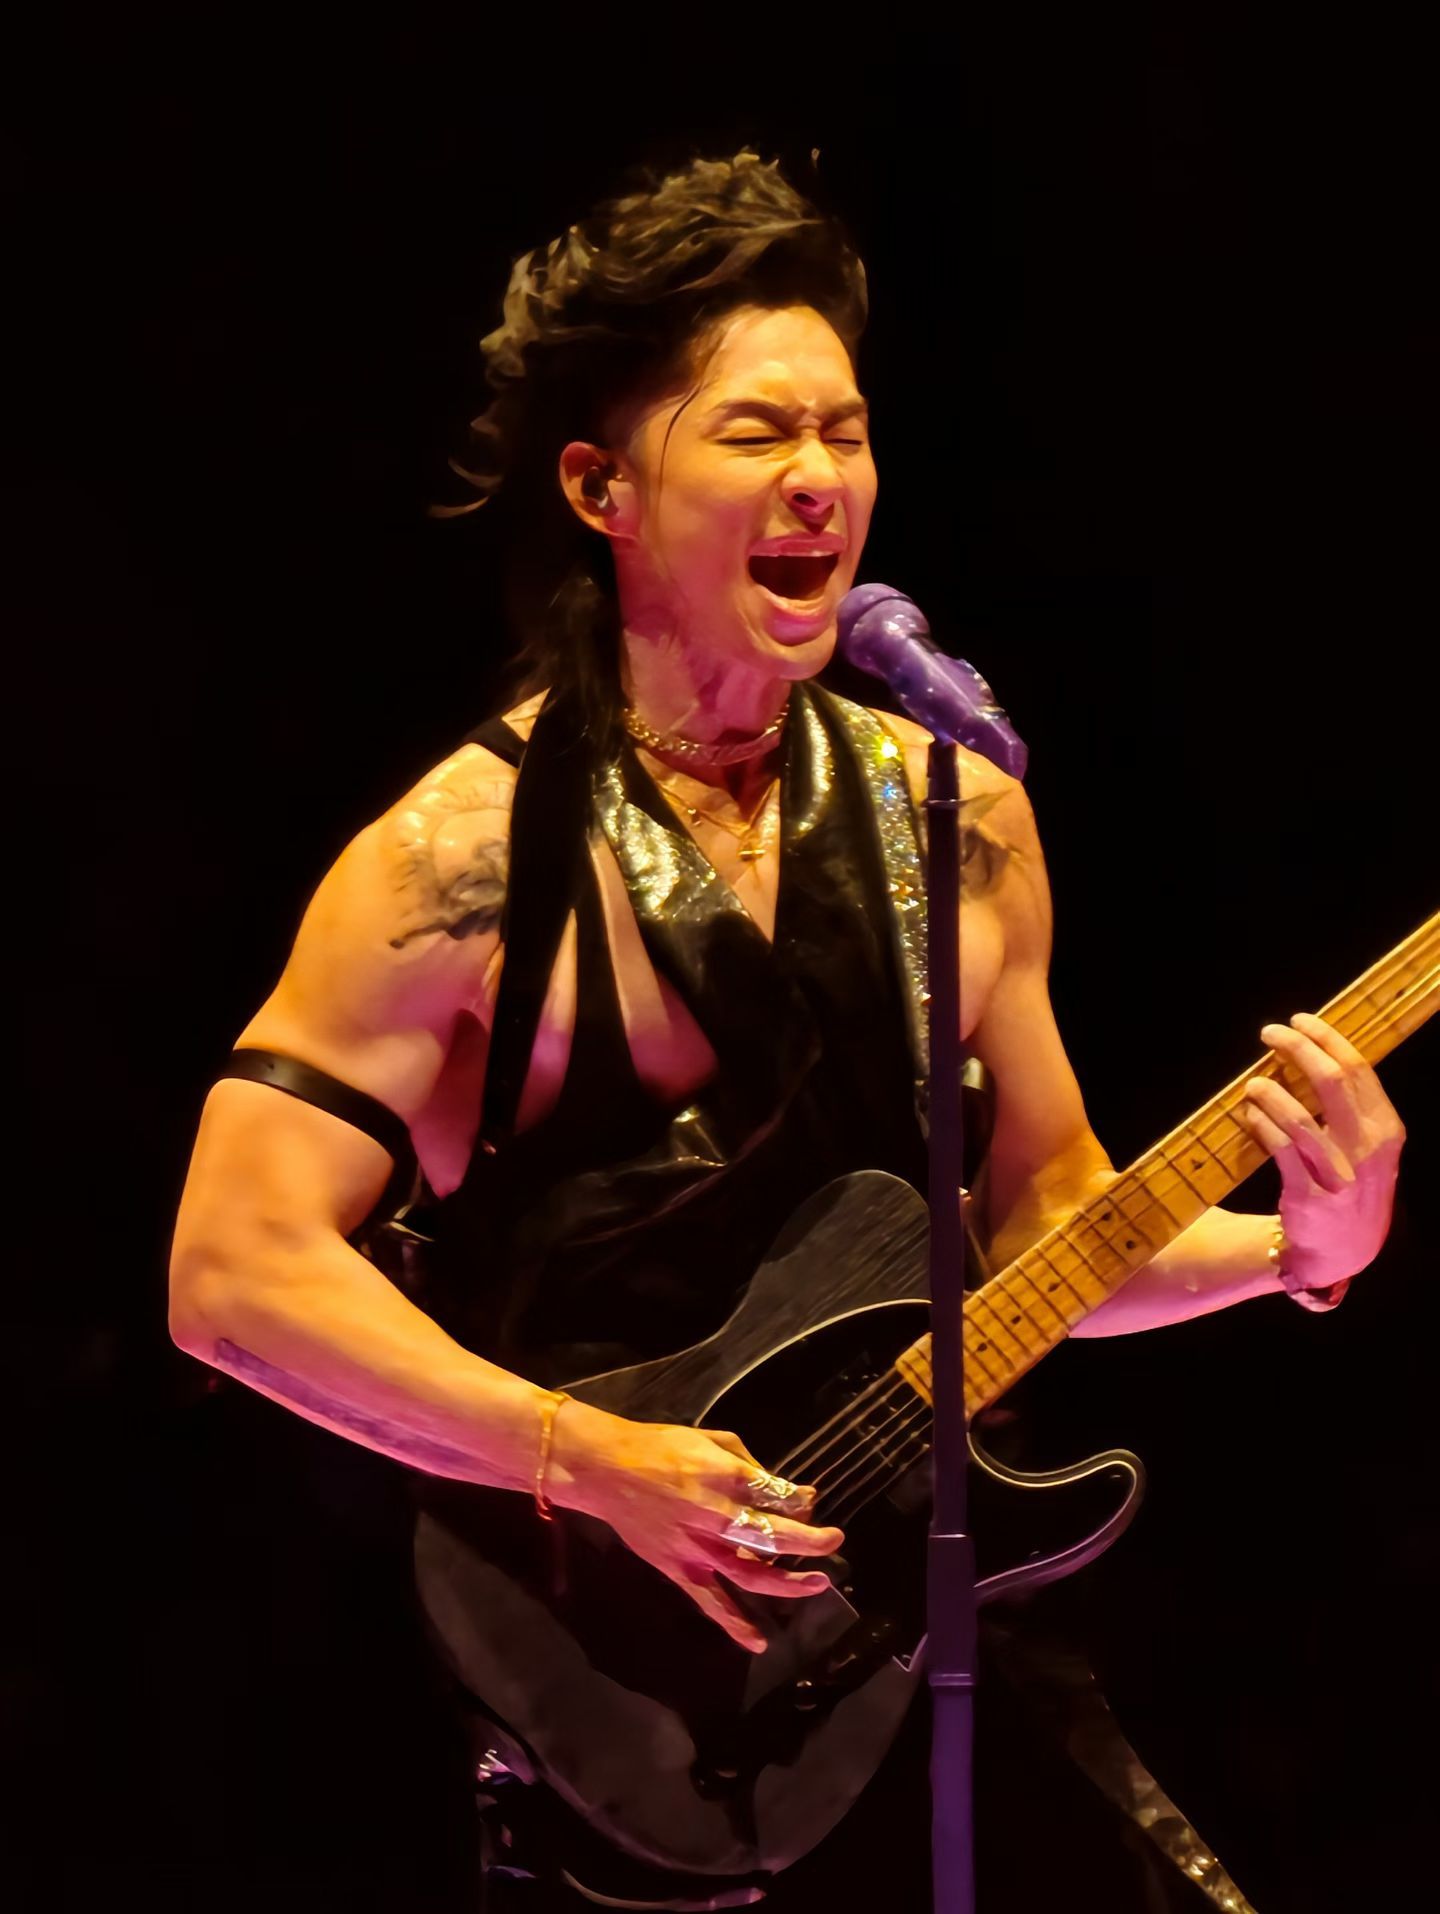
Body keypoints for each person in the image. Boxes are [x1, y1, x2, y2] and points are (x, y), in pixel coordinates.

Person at [168, 151, 1407, 1911]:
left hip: (919, 1637)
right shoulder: (458, 864)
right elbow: (231, 1272)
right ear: (602, 485)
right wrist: (581, 1454)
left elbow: (1048, 1231)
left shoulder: (958, 816)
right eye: (756, 432)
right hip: (618, 1699)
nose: (820, 475)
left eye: (847, 430)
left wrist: (1301, 1251)